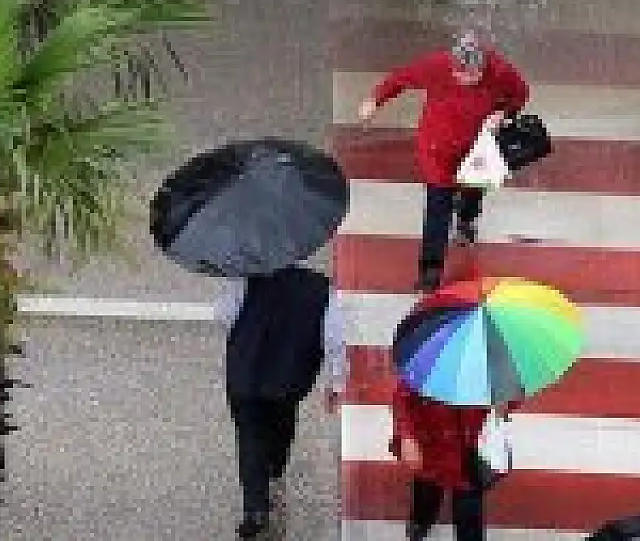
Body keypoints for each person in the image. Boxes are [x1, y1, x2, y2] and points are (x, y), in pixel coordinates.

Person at [357, 30, 529, 292]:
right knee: (438, 205)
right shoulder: (436, 66)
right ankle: (430, 270)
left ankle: (467, 218)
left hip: (478, 147)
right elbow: (400, 79)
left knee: (474, 188)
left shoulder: (501, 72)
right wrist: (375, 100)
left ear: (484, 67)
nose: (466, 80)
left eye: (473, 75)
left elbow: (521, 94)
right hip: (437, 148)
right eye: (460, 74)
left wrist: (503, 113)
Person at [213, 261, 348, 538]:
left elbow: (224, 314)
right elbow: (334, 340)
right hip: (289, 377)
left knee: (249, 436)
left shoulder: (246, 275)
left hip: (245, 371)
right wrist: (335, 382)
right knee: (282, 422)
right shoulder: (321, 290)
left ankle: (255, 508)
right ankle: (275, 468)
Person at [390, 291, 519, 541]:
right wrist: (407, 436)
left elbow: (511, 396)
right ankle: (420, 524)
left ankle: (422, 524)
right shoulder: (429, 357)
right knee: (427, 493)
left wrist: (504, 405)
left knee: (469, 512)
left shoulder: (497, 361)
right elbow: (403, 397)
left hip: (470, 451)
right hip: (431, 443)